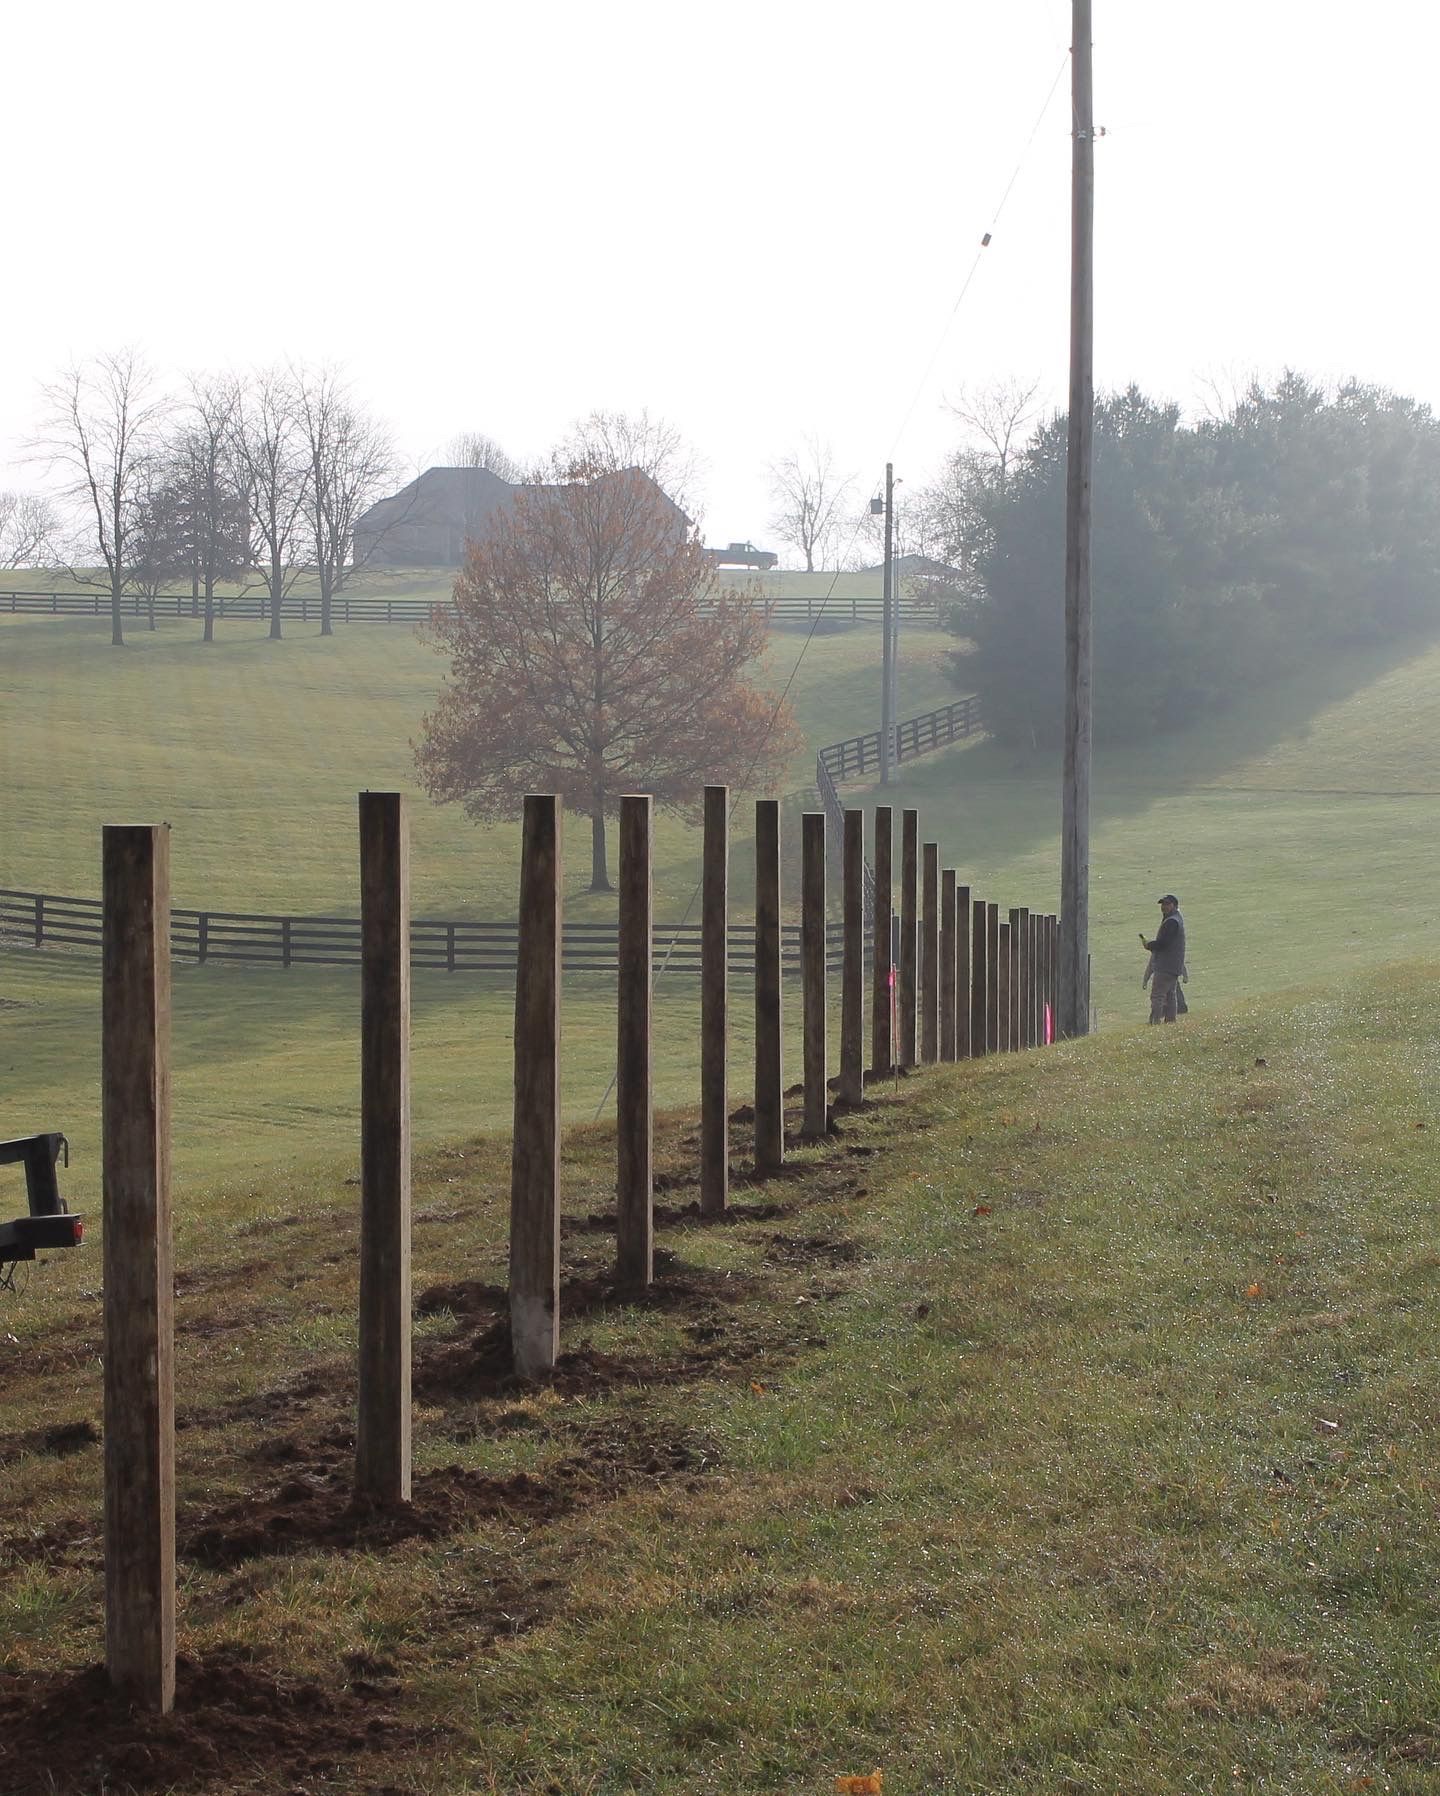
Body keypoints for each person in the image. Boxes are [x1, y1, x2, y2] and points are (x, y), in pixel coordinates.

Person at [1140, 894, 1186, 1024]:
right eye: (1162, 904)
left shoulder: (1172, 921)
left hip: (1165, 965)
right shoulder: (1176, 919)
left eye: (1167, 904)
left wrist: (1149, 945)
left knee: (1157, 996)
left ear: (1174, 905)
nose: (1164, 907)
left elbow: (1164, 943)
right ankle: (1170, 1021)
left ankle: (1155, 1022)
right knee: (1170, 994)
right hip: (1174, 965)